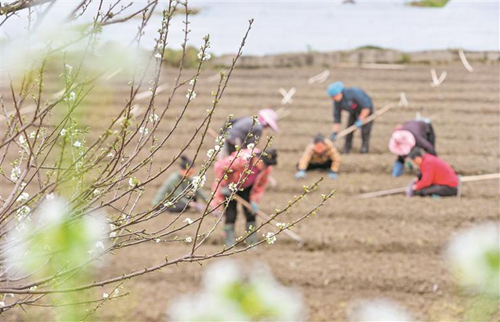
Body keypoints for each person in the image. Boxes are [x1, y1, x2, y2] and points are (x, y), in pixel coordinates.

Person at [210, 148, 278, 246]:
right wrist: (223, 185)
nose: (265, 167)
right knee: (231, 214)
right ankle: (229, 242)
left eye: (267, 164)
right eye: (264, 163)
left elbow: (260, 185)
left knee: (250, 213)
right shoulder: (242, 159)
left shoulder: (266, 169)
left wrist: (254, 200)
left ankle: (251, 241)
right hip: (230, 186)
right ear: (258, 158)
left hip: (247, 188)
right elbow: (219, 167)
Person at [327, 81, 374, 154]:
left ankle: (364, 149)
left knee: (365, 131)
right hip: (353, 112)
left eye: (334, 96)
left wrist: (360, 119)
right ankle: (347, 148)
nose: (333, 98)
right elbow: (337, 118)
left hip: (366, 111)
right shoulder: (337, 102)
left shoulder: (354, 93)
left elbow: (366, 108)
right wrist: (334, 132)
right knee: (349, 129)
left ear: (340, 93)